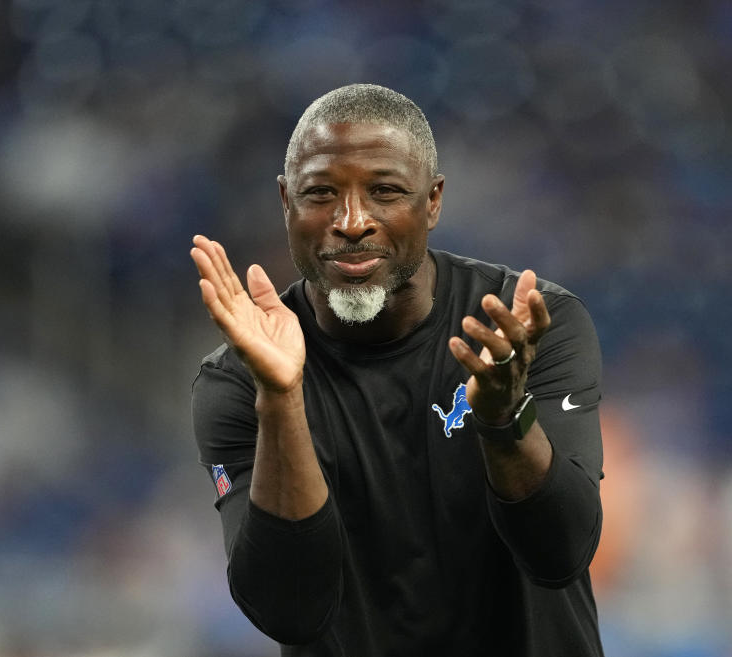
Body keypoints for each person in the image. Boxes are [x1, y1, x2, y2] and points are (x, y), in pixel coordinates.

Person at [190, 84, 605, 657]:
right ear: (286, 201)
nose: (352, 221)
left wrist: (504, 420)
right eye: (320, 193)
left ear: (432, 201)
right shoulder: (242, 378)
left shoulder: (525, 328)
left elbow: (561, 555)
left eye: (384, 191)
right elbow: (289, 609)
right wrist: (281, 397)